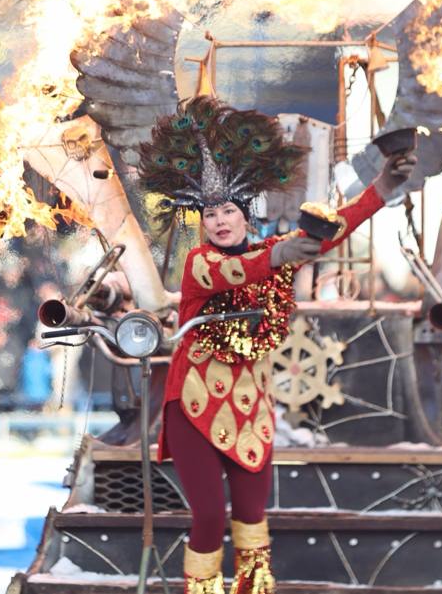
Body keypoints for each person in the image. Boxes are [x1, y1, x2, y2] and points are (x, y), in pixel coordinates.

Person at [136, 96, 414, 594]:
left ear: (245, 215)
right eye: (210, 214)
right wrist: (287, 250)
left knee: (252, 519)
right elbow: (238, 270)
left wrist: (385, 187)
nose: (219, 221)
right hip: (196, 408)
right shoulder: (200, 263)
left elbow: (333, 230)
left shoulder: (271, 251)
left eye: (227, 211)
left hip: (251, 408)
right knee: (207, 518)